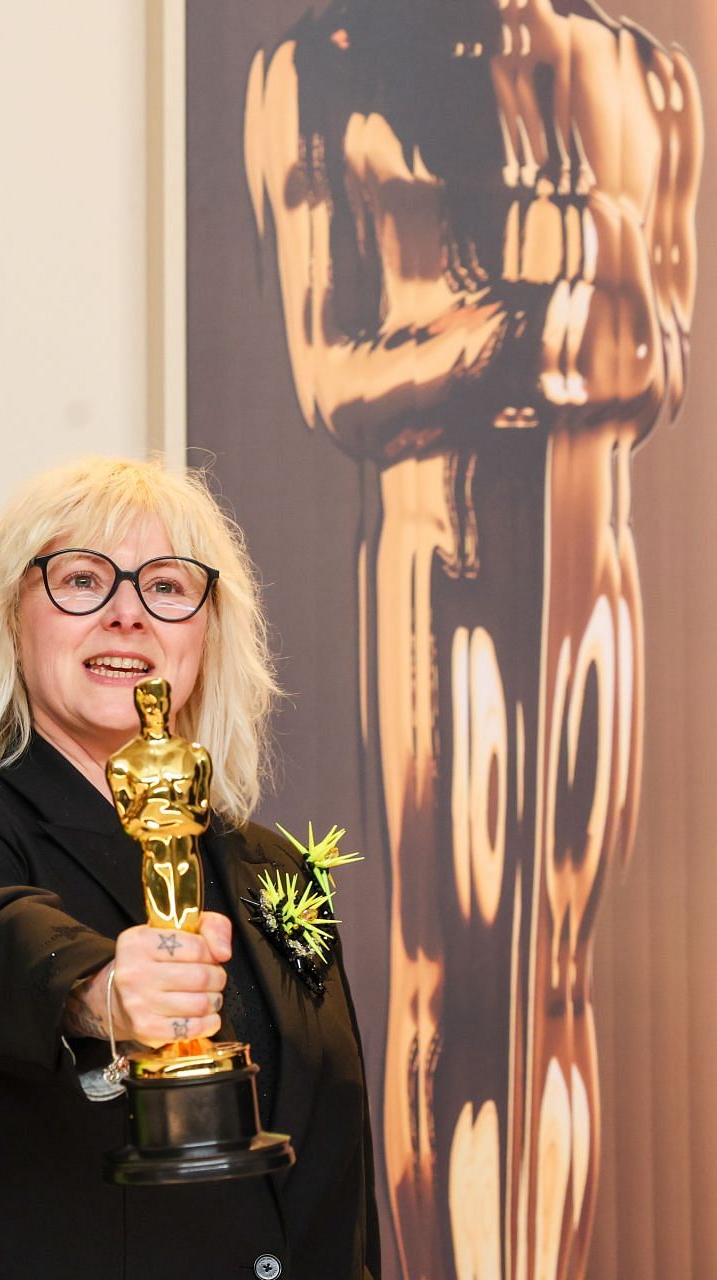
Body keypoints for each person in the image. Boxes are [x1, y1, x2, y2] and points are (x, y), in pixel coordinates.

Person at [243, 6, 699, 1272]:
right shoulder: (317, 70)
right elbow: (336, 374)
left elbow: (658, 357)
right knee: (451, 964)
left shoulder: (650, 76)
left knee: (559, 967)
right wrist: (535, 323)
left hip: (595, 564)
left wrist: (509, 327)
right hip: (435, 556)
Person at [0, 458, 378, 1279]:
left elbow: (338, 1183)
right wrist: (103, 990)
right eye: (82, 580)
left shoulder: (276, 870)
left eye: (168, 588)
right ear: (11, 620)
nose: (127, 616)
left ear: (209, 632)